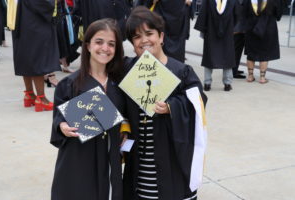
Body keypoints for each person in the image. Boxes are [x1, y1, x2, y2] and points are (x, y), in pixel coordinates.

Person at [122, 6, 207, 200]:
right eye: (136, 36)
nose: (144, 40)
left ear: (161, 36)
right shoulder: (127, 70)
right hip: (140, 161)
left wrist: (172, 106)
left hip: (172, 161)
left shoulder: (181, 72)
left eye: (149, 33)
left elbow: (198, 103)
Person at [50, 18, 125, 200]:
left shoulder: (120, 83)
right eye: (99, 42)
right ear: (88, 45)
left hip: (110, 156)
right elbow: (59, 118)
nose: (105, 48)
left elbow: (127, 114)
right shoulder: (69, 84)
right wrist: (62, 127)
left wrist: (126, 128)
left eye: (111, 44)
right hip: (79, 157)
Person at [11, 0, 60, 111]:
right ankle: (41, 99)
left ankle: (29, 94)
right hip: (35, 23)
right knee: (38, 57)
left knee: (26, 57)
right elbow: (44, 3)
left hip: (20, 20)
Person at [194, 0, 237, 92]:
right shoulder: (232, 1)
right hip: (226, 33)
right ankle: (227, 83)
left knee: (210, 57)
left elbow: (203, 15)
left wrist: (203, 32)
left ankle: (207, 83)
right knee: (227, 57)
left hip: (211, 32)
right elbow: (237, 16)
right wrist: (233, 28)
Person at [245, 0, 283, 83]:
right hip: (268, 28)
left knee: (251, 53)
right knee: (265, 54)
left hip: (251, 27)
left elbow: (244, 12)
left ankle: (250, 76)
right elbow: (278, 15)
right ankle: (262, 78)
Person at [233, 0, 248, 79]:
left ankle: (234, 69)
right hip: (238, 29)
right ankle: (233, 71)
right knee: (236, 51)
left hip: (237, 28)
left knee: (236, 50)